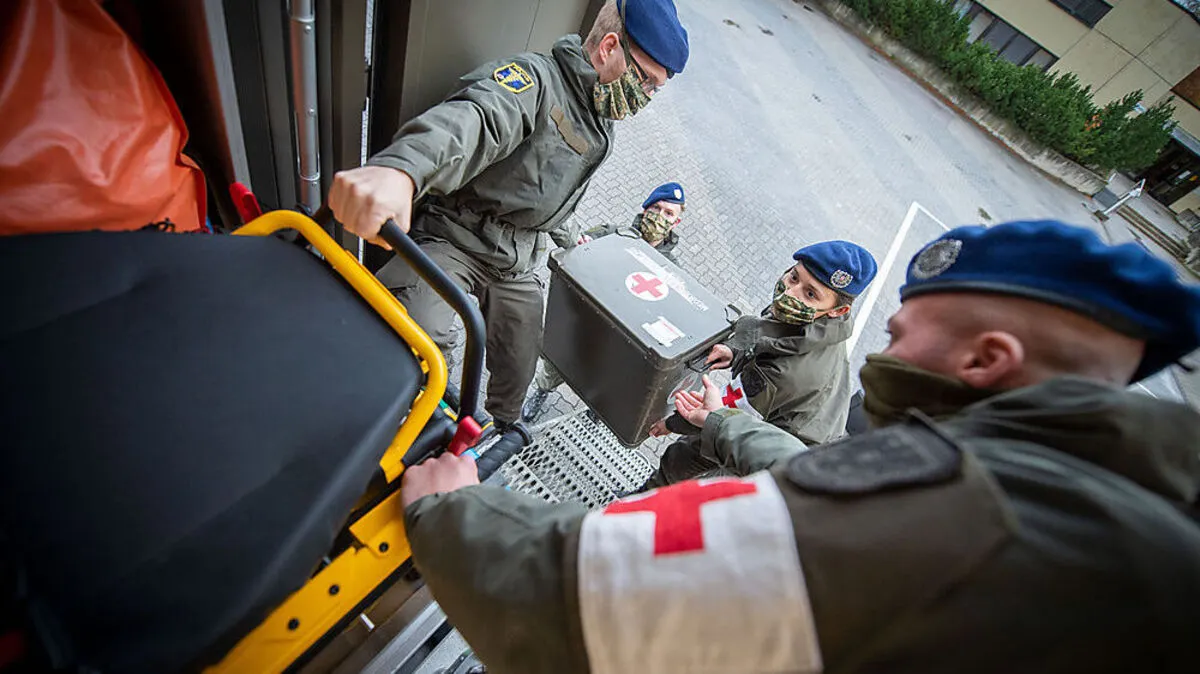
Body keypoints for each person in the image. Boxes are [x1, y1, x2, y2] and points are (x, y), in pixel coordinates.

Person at [396, 220, 1200, 673]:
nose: (881, 354)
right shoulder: (1124, 514)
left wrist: (449, 511)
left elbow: (575, 599)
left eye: (899, 335)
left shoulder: (954, 510)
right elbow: (830, 481)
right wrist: (722, 422)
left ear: (986, 360)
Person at [329, 0, 689, 428]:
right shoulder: (534, 82)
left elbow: (549, 187)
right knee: (415, 332)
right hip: (456, 238)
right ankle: (417, 426)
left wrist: (573, 237)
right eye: (645, 81)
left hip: (516, 260)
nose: (645, 97)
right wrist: (401, 171)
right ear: (609, 47)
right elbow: (473, 121)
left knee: (521, 358)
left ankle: (501, 432)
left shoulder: (598, 111)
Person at [640, 240, 877, 488]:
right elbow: (770, 334)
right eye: (794, 277)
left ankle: (641, 505)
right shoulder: (822, 326)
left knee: (686, 460)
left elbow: (719, 418)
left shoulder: (781, 374)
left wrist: (670, 423)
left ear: (838, 310)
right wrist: (736, 350)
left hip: (781, 458)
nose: (790, 292)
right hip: (798, 423)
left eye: (810, 294)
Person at [521, 181, 688, 421]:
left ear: (676, 222)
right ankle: (542, 391)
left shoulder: (672, 271)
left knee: (607, 379)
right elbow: (574, 256)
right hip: (586, 319)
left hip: (623, 339)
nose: (661, 217)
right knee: (558, 362)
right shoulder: (611, 234)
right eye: (657, 209)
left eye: (669, 213)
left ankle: (597, 411)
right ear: (646, 209)